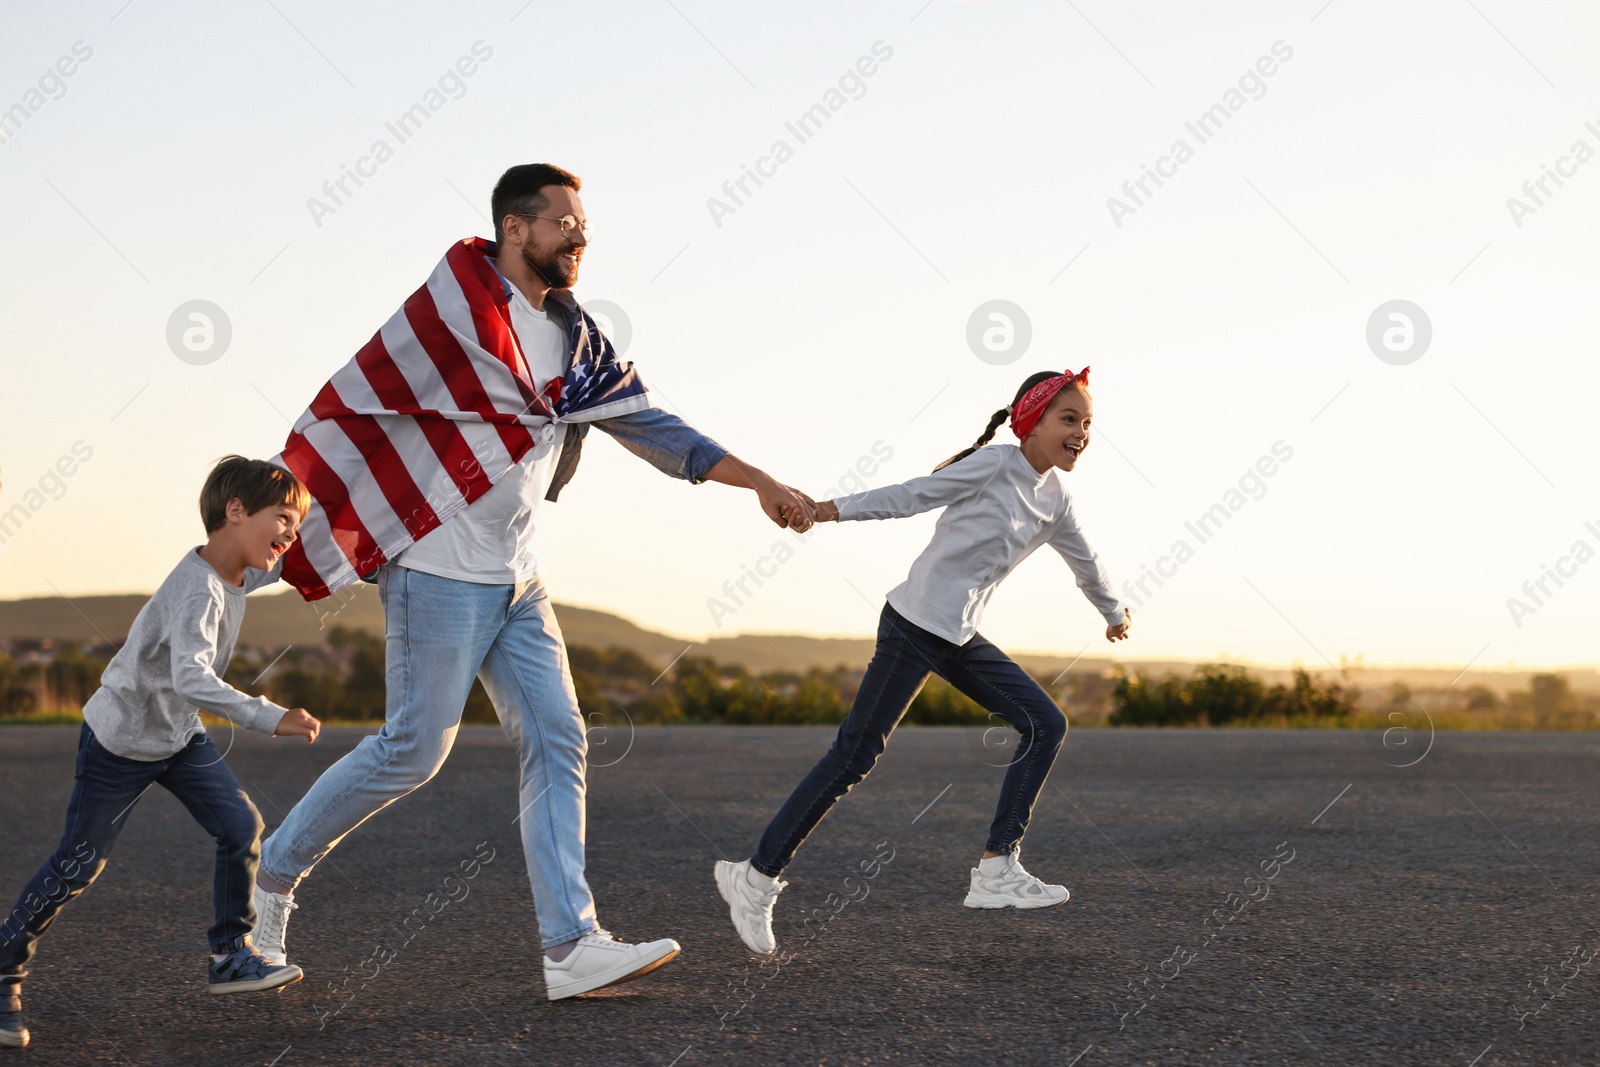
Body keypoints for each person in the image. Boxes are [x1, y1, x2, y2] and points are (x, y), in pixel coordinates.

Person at [253, 163, 818, 1001]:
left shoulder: (575, 340)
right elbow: (357, 405)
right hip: (438, 573)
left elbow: (653, 429)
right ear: (516, 229)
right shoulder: (447, 315)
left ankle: (570, 944)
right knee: (413, 751)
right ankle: (268, 880)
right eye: (565, 223)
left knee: (560, 736)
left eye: (583, 226)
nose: (580, 238)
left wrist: (759, 479)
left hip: (517, 580)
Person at [715, 368, 1132, 954]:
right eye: (1069, 419)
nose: (1081, 433)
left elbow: (1085, 558)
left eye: (1088, 424)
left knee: (1045, 723)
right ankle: (753, 878)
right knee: (854, 757)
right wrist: (826, 509)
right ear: (1031, 420)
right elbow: (909, 496)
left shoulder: (1056, 498)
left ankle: (995, 870)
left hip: (957, 635)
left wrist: (1112, 611)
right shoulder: (994, 466)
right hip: (914, 626)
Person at [0, 457, 323, 1048]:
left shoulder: (232, 572)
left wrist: (367, 540)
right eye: (282, 520)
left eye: (295, 526)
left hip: (176, 738)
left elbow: (281, 568)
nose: (290, 535)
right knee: (79, 865)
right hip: (119, 742)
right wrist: (271, 716)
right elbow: (194, 679)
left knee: (239, 824)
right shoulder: (198, 591)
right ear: (235, 512)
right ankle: (4, 969)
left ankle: (230, 955)